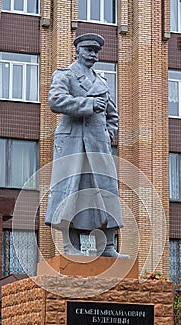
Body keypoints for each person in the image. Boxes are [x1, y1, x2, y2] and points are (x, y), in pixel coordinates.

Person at [45, 33, 128, 258]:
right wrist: (88, 103)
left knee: (106, 192)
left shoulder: (101, 81)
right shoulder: (66, 75)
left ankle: (108, 246)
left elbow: (113, 115)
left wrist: (107, 135)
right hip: (73, 143)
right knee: (72, 192)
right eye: (89, 50)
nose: (93, 55)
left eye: (96, 51)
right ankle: (68, 247)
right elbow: (56, 100)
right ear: (78, 51)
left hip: (98, 147)